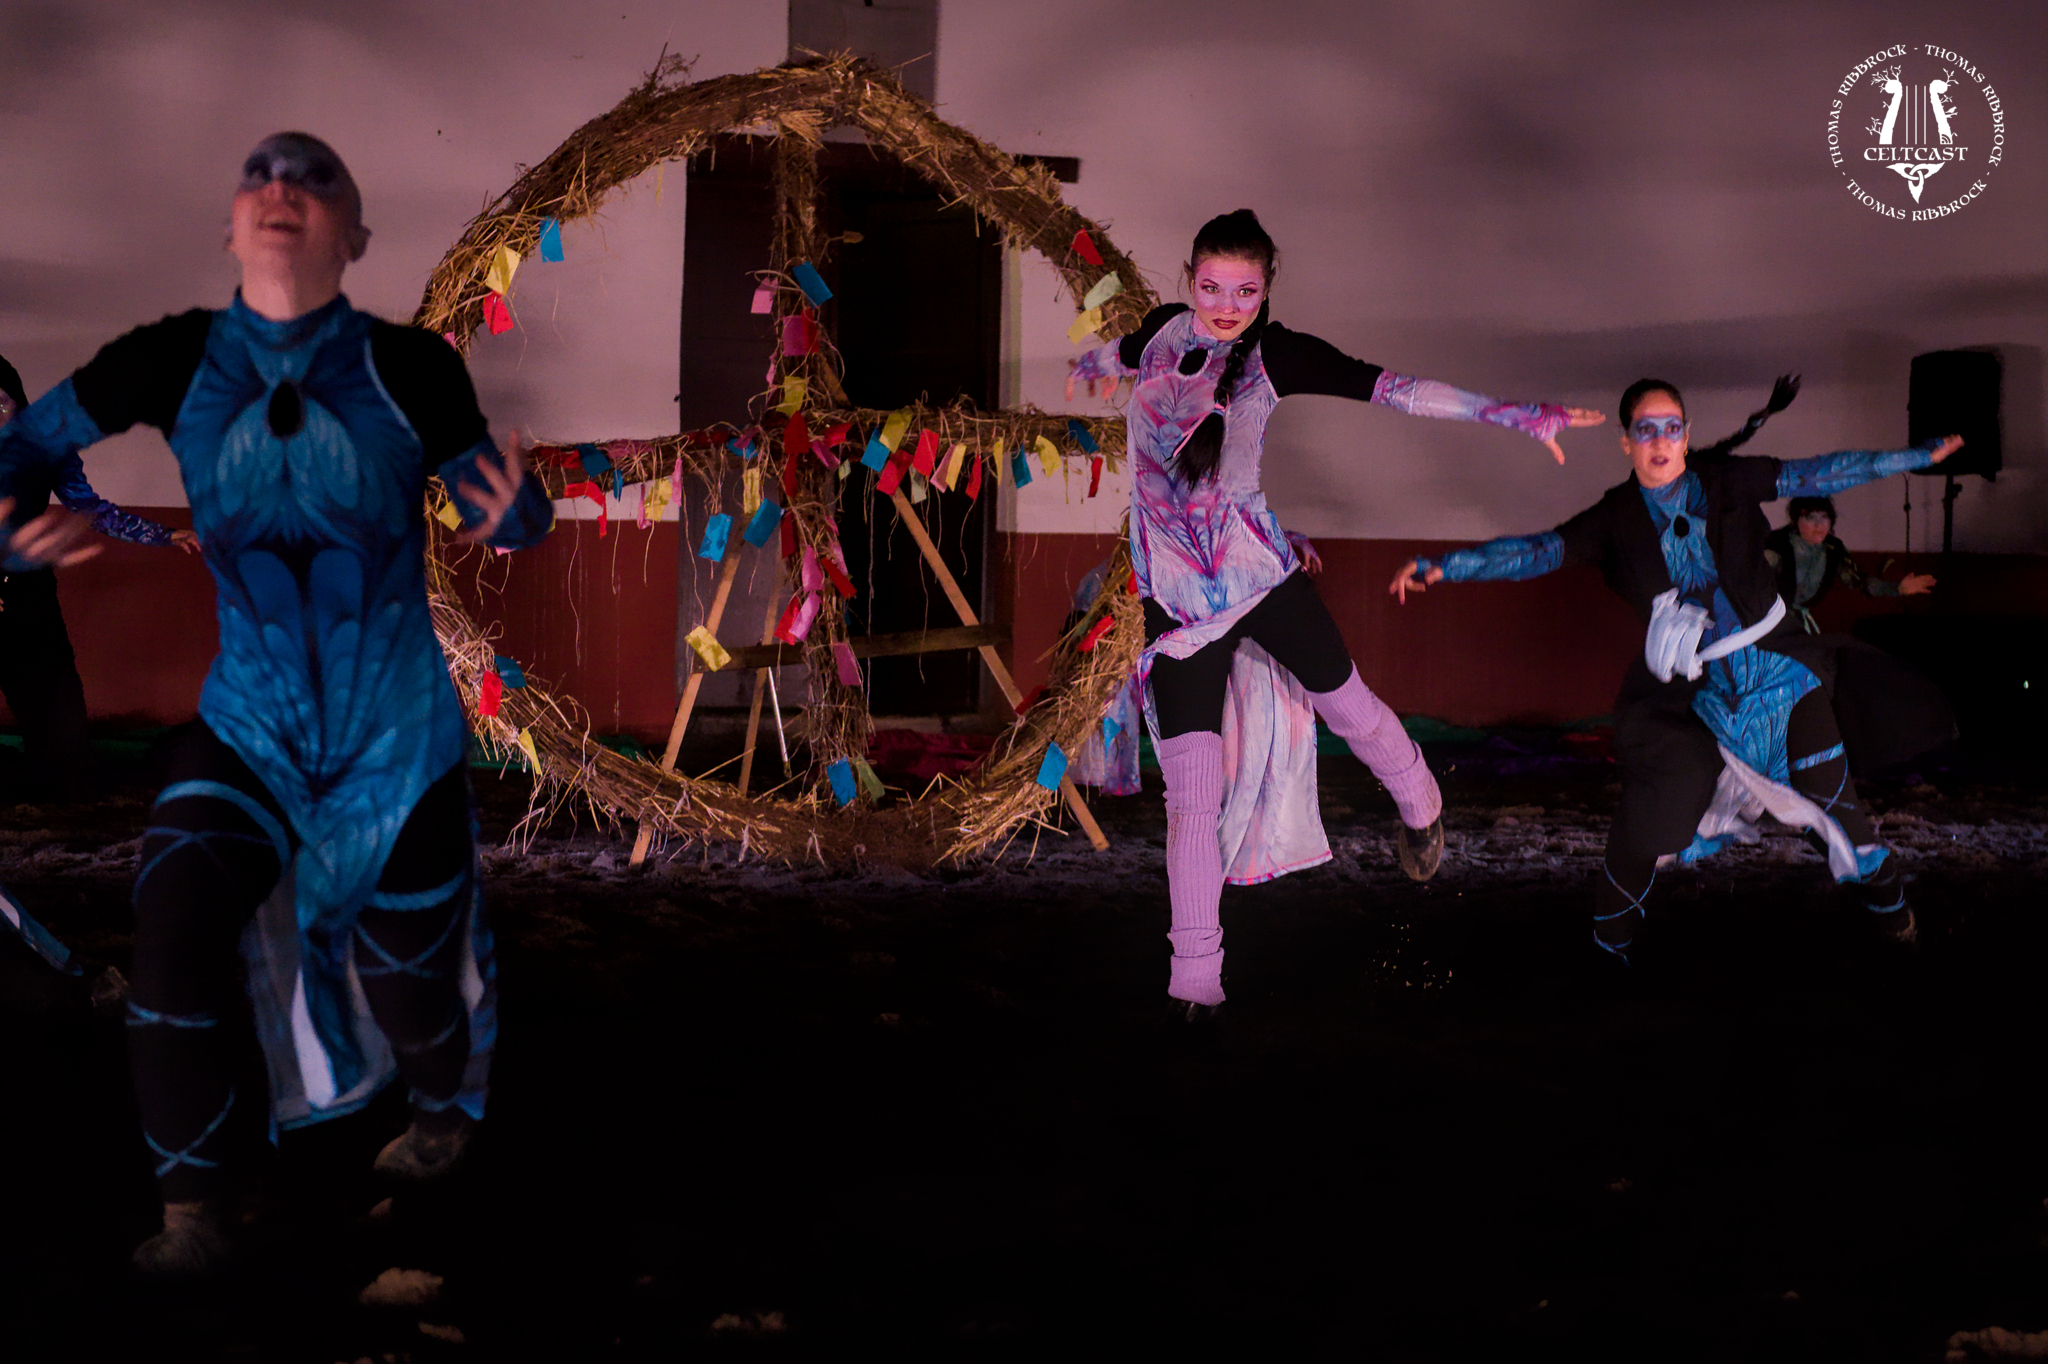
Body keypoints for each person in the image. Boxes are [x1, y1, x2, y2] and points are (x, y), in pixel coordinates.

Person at [0, 132, 554, 1273]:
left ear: (356, 236)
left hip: (392, 740)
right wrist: (11, 529)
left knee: (408, 977)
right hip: (248, 728)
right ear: (228, 229)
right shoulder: (171, 358)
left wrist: (518, 514)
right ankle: (192, 1212)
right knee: (172, 927)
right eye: (259, 178)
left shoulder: (410, 367)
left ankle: (441, 1110)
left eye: (313, 180)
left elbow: (503, 504)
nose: (281, 190)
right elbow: (24, 445)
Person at [1066, 209, 1603, 1019]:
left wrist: (1513, 414)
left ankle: (1421, 804)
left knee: (1346, 703)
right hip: (1175, 606)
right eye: (1211, 287)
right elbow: (1118, 357)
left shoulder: (1276, 355)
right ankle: (1194, 982)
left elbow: (1397, 390)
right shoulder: (1163, 332)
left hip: (1263, 580)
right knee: (1190, 800)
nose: (1226, 305)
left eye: (1245, 291)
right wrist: (1091, 366)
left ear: (1267, 289)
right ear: (1189, 280)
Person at [1390, 378, 1960, 963]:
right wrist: (1450, 566)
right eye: (1646, 430)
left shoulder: (1727, 481)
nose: (1660, 441)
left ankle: (1897, 920)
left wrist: (1913, 458)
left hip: (1784, 673)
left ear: (1686, 437)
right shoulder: (1615, 519)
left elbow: (1818, 474)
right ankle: (1609, 947)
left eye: (1671, 428)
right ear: (1626, 442)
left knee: (1834, 810)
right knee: (1652, 818)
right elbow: (1539, 551)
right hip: (1699, 697)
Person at [0, 352, 198, 800]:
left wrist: (164, 534)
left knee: (61, 739)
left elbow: (90, 508)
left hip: (28, 595)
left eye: (2, 401)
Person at [1765, 495, 1934, 633]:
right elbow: (1755, 584)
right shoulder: (1776, 544)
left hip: (1798, 623)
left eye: (1824, 517)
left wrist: (1898, 588)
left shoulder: (1833, 548)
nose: (1819, 525)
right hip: (1767, 620)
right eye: (1810, 517)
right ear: (1796, 520)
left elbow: (1858, 581)